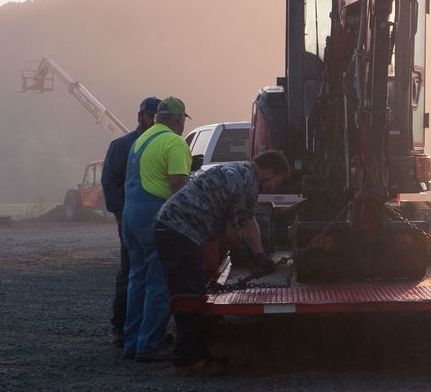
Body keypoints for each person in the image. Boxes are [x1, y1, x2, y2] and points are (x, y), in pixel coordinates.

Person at [153, 150, 290, 368]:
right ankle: (188, 360)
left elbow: (248, 219)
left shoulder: (241, 172)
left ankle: (198, 352)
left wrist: (260, 253)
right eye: (276, 180)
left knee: (194, 289)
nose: (273, 187)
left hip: (174, 229)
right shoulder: (245, 184)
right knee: (188, 295)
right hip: (179, 232)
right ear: (268, 172)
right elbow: (233, 231)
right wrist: (245, 256)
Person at [121, 95, 192, 361]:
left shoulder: (141, 140)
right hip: (155, 215)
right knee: (159, 281)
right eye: (183, 120)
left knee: (136, 279)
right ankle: (150, 343)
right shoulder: (174, 142)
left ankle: (132, 341)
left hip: (131, 214)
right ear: (176, 119)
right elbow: (178, 186)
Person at [102, 97, 161, 347]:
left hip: (145, 218)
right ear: (140, 116)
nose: (154, 122)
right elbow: (110, 182)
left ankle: (140, 330)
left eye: (159, 118)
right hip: (132, 219)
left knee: (144, 274)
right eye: (151, 117)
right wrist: (119, 215)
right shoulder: (123, 145)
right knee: (131, 273)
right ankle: (122, 329)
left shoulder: (157, 145)